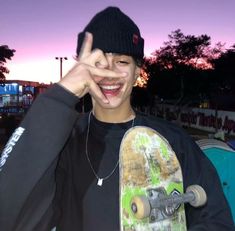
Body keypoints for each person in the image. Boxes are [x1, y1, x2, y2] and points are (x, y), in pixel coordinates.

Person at [0, 6, 234, 231]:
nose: (109, 73)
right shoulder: (61, 141)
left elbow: (216, 220)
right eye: (98, 63)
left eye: (122, 62)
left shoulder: (172, 142)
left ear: (136, 73)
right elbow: (9, 212)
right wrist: (60, 96)